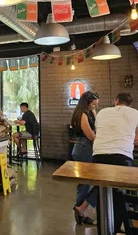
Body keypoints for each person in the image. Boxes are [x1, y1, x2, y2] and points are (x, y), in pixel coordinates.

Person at [93, 93, 138, 234]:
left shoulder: (102, 112)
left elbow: (99, 131)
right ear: (130, 104)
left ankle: (103, 229)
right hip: (121, 156)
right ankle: (117, 229)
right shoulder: (134, 113)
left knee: (102, 193)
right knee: (119, 195)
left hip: (99, 155)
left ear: (116, 101)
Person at [71, 91, 99, 225]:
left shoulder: (90, 113)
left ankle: (80, 211)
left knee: (87, 182)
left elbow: (98, 128)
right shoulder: (82, 115)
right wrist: (95, 133)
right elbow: (91, 136)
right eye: (93, 104)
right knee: (85, 183)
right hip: (83, 148)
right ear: (86, 103)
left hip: (88, 148)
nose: (95, 107)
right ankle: (80, 211)